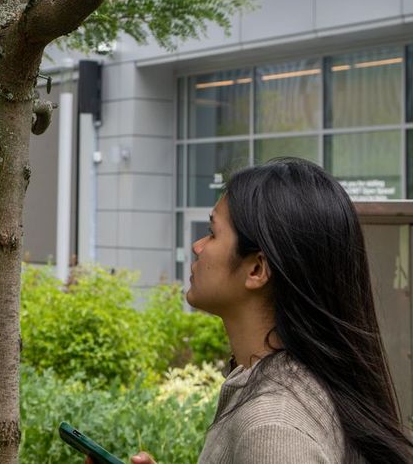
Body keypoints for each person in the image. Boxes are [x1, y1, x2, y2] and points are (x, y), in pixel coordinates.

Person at [89, 158, 413, 464]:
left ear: (257, 269)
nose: (197, 246)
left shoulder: (274, 429)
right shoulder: (278, 385)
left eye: (213, 233)